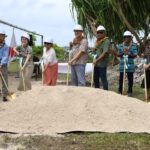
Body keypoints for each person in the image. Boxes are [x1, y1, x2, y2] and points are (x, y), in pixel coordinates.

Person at [117, 31, 137, 97]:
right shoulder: (120, 45)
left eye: (128, 37)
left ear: (131, 38)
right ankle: (120, 91)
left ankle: (130, 92)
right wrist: (123, 53)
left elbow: (135, 55)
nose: (126, 38)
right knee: (121, 79)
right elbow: (118, 55)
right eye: (125, 37)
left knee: (130, 79)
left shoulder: (134, 45)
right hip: (122, 65)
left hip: (130, 65)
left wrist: (128, 53)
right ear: (123, 38)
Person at [93, 25, 110, 90]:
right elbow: (94, 52)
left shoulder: (106, 41)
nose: (99, 34)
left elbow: (105, 53)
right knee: (95, 78)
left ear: (104, 33)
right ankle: (97, 92)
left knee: (103, 79)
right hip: (96, 63)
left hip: (102, 63)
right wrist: (94, 48)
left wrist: (96, 60)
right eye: (98, 32)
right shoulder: (97, 41)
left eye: (101, 32)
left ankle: (106, 92)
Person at [0, 28, 9, 101]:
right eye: (1, 35)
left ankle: (5, 95)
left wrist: (1, 64)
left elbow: (5, 56)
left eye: (3, 36)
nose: (2, 37)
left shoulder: (6, 46)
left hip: (3, 65)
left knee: (4, 80)